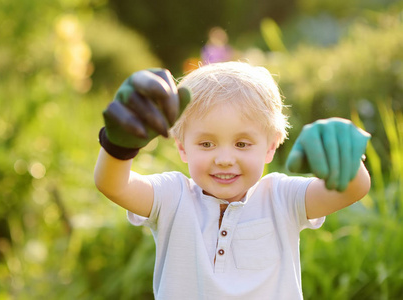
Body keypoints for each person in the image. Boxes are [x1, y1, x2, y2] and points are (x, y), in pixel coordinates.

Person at [94, 62, 371, 299]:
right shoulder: (172, 197)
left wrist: (345, 158)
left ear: (270, 147)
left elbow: (353, 190)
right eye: (206, 143)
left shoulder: (283, 198)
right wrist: (118, 147)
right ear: (182, 147)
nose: (224, 158)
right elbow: (114, 185)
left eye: (241, 144)